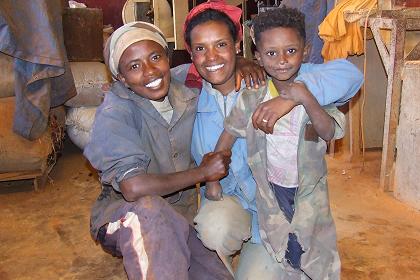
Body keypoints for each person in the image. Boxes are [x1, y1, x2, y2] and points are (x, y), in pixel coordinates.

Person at [180, 0, 363, 278]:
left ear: (237, 46)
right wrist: (212, 180)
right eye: (200, 49)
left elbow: (350, 77)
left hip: (291, 200)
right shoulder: (188, 93)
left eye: (221, 45)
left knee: (312, 254)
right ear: (190, 54)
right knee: (219, 230)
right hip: (248, 208)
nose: (212, 56)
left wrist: (294, 95)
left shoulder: (273, 79)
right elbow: (227, 134)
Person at [83, 21, 234, 280]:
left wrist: (244, 63)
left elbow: (215, 64)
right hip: (125, 212)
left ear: (168, 57)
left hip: (177, 216)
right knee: (150, 211)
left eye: (155, 57)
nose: (150, 71)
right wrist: (203, 172)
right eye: (134, 66)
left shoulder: (183, 83)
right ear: (121, 78)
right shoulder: (114, 112)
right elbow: (133, 188)